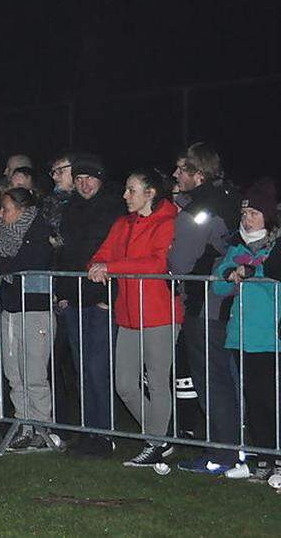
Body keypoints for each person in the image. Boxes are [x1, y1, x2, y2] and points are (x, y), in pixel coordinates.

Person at [89, 170, 182, 468]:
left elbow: (156, 263)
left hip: (159, 313)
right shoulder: (122, 224)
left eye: (131, 190)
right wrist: (97, 266)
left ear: (150, 193)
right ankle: (162, 438)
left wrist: (110, 266)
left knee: (156, 381)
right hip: (128, 314)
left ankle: (155, 443)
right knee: (125, 384)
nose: (125, 195)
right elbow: (100, 255)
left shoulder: (168, 222)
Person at [168, 143, 243, 474]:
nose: (175, 175)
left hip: (205, 303)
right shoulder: (229, 196)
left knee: (211, 380)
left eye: (181, 170)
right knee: (227, 378)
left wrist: (170, 252)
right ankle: (238, 451)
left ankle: (220, 454)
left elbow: (181, 261)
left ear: (198, 174)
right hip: (230, 302)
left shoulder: (198, 209)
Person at [0, 188, 56, 450]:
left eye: (5, 208)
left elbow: (20, 263)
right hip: (10, 308)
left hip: (35, 310)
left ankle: (42, 427)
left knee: (34, 373)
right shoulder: (4, 236)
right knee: (14, 372)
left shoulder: (39, 232)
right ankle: (24, 425)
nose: (0, 214)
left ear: (21, 210)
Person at [54, 154, 124, 456]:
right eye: (79, 179)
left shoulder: (114, 208)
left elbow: (116, 254)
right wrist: (63, 293)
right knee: (83, 368)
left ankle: (105, 434)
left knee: (98, 368)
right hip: (75, 299)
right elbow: (66, 253)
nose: (84, 184)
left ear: (100, 179)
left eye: (89, 178)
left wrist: (110, 298)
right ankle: (89, 430)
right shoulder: (71, 210)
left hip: (101, 300)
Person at [214, 178, 280, 481]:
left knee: (271, 400)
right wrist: (229, 272)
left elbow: (270, 275)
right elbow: (217, 282)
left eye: (254, 213)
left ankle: (278, 459)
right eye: (244, 213)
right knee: (253, 402)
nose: (247, 218)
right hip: (241, 336)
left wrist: (254, 271)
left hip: (269, 338)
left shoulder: (275, 248)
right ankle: (263, 458)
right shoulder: (235, 245)